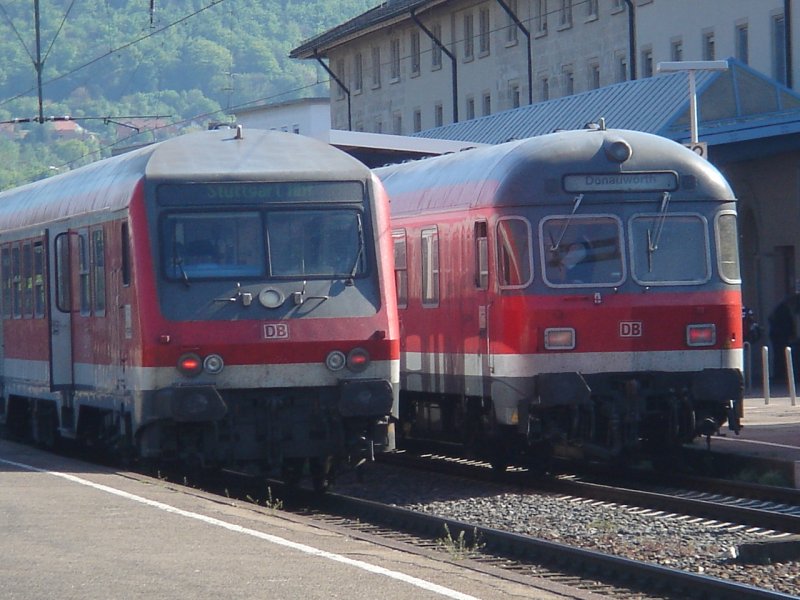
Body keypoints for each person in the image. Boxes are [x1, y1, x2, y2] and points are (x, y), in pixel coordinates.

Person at [768, 293, 800, 381]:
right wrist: (792, 335)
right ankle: (781, 376)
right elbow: (786, 325)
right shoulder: (784, 310)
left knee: (780, 356)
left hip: (778, 336)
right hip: (781, 337)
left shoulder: (782, 308)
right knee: (781, 356)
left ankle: (780, 375)